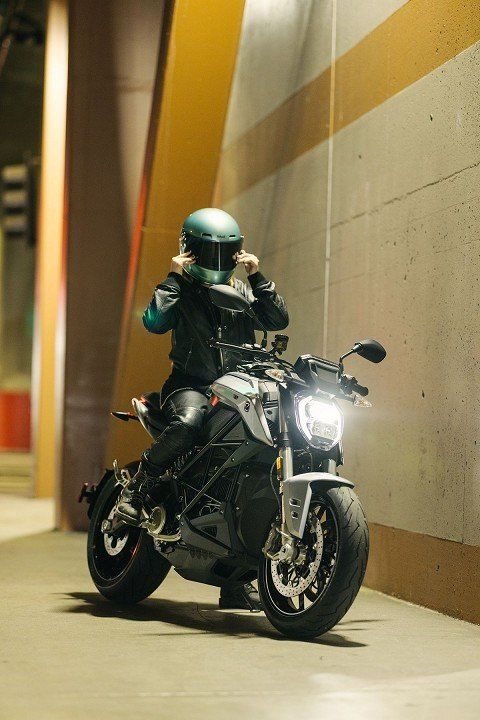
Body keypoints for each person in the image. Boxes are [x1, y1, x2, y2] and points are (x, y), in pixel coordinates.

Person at [116, 207, 288, 609]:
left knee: (258, 462)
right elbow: (154, 321)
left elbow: (277, 319)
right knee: (190, 424)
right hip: (190, 386)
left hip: (239, 388)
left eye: (226, 252)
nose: (217, 259)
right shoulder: (182, 289)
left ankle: (236, 579)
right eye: (208, 251)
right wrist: (174, 277)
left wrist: (257, 277)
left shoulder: (242, 290)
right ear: (189, 250)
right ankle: (138, 489)